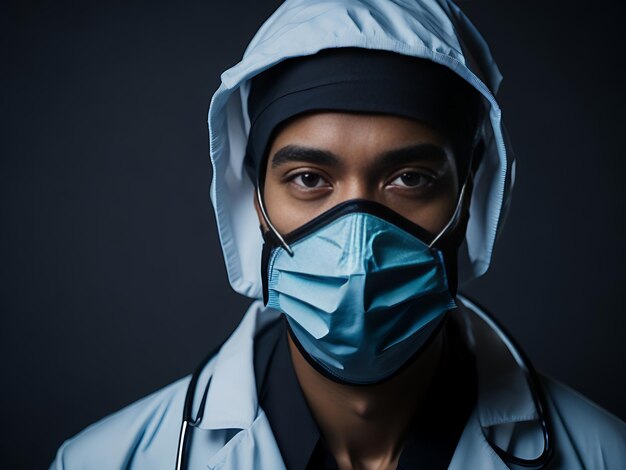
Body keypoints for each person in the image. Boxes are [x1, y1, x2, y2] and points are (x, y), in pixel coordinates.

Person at [50, 0, 626, 469]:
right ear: (255, 200)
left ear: (468, 196)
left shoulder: (606, 456)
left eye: (409, 178)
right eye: (308, 179)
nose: (358, 241)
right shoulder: (103, 461)